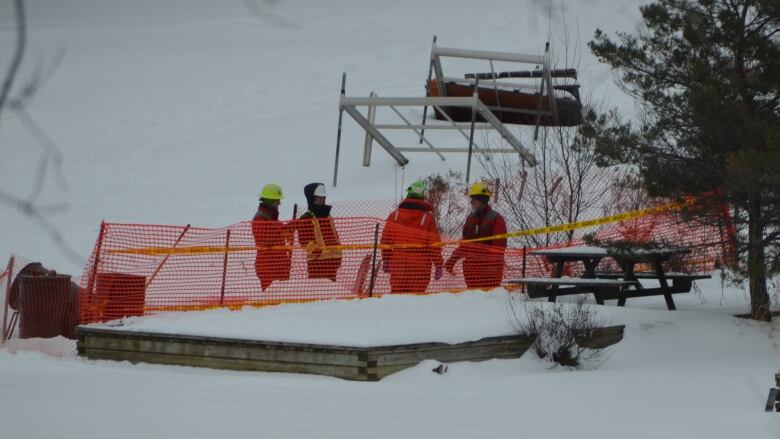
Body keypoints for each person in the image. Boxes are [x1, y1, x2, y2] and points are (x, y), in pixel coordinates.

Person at [380, 180, 444, 294]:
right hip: (419, 267)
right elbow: (434, 245)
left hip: (398, 264)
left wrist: (386, 259)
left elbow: (386, 240)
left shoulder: (394, 215)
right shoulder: (427, 218)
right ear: (423, 196)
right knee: (416, 301)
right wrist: (438, 264)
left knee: (397, 298)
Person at [445, 182, 507, 289]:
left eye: (474, 199)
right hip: (471, 272)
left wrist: (493, 267)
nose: (471, 202)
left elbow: (499, 246)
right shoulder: (470, 218)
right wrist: (452, 260)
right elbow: (465, 244)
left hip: (490, 274)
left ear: (482, 200)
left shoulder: (496, 219)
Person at [294, 183, 342, 282]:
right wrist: (317, 252)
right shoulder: (307, 218)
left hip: (332, 262)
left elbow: (334, 235)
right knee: (318, 292)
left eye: (323, 198)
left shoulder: (328, 216)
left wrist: (338, 253)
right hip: (317, 265)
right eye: (319, 198)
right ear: (312, 198)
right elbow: (303, 241)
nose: (322, 200)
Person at [252, 183, 292, 292]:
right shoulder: (260, 218)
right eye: (277, 200)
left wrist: (291, 228)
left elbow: (279, 231)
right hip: (268, 269)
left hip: (280, 268)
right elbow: (264, 240)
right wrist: (281, 231)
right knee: (271, 304)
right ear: (270, 201)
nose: (280, 202)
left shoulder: (272, 219)